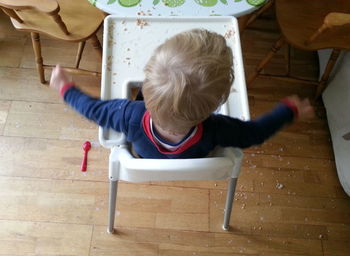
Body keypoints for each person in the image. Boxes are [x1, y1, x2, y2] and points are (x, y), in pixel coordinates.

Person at [50, 29, 314, 159]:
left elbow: (92, 109)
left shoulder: (128, 114)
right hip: (193, 157)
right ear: (217, 103)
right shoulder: (217, 128)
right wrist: (287, 111)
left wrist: (65, 89)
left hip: (145, 158)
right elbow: (255, 133)